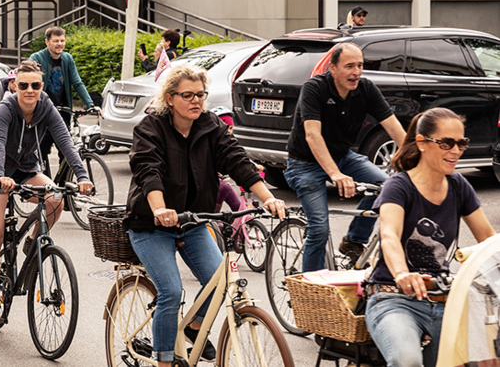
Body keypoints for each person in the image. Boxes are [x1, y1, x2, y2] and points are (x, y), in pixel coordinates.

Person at [124, 64, 286, 365]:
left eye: (201, 94)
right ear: (170, 98)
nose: (196, 100)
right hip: (151, 224)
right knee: (171, 291)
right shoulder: (150, 128)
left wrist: (269, 198)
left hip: (195, 221)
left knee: (220, 280)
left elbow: (237, 160)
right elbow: (149, 170)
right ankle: (164, 361)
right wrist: (159, 208)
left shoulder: (211, 126)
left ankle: (195, 326)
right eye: (188, 95)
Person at [364, 108, 496, 367]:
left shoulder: (459, 186)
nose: (456, 150)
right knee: (408, 361)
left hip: (446, 300)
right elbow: (389, 234)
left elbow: (489, 241)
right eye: (447, 143)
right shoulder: (399, 185)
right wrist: (402, 273)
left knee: (486, 358)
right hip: (393, 299)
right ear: (422, 143)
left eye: (462, 143)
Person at [0, 60, 94, 322]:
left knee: (55, 199)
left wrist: (83, 175)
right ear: (14, 86)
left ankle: (32, 240)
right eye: (24, 85)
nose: (30, 90)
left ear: (42, 86)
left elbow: (65, 141)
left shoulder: (45, 106)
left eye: (36, 85)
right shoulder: (5, 109)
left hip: (27, 169)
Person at [284, 42, 406, 272]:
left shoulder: (366, 89)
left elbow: (394, 128)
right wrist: (335, 174)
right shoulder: (314, 88)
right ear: (332, 68)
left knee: (387, 187)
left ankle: (353, 241)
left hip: (343, 156)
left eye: (360, 65)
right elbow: (312, 135)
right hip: (304, 163)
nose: (356, 72)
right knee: (319, 229)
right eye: (349, 66)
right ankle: (312, 291)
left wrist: (416, 162)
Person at [29, 26, 96, 160]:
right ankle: (42, 179)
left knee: (65, 152)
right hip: (42, 112)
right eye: (56, 41)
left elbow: (77, 83)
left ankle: (63, 181)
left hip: (62, 112)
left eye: (62, 40)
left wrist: (90, 104)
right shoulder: (37, 58)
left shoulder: (67, 59)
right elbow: (32, 84)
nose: (60, 44)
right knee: (41, 151)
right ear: (47, 42)